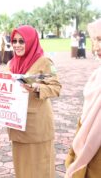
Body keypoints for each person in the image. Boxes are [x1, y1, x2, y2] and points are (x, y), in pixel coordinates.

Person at [7, 25, 61, 178]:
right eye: (14, 41)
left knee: (40, 168)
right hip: (17, 124)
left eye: (22, 41)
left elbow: (56, 87)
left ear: (31, 41)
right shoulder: (11, 64)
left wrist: (36, 87)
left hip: (37, 126)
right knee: (22, 168)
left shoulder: (44, 62)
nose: (17, 45)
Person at [64, 19, 101, 178]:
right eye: (95, 40)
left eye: (100, 39)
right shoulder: (97, 73)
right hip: (87, 139)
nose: (96, 47)